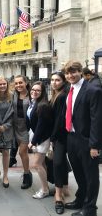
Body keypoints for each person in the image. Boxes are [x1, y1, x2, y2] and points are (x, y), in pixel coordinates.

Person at [63, 61, 102, 216]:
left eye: (73, 72)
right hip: (71, 137)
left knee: (90, 175)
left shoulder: (93, 90)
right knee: (78, 172)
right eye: (67, 73)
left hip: (86, 141)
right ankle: (81, 199)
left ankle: (90, 208)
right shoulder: (69, 88)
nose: (70, 75)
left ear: (81, 72)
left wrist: (94, 145)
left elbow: (97, 120)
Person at [26, 81, 53, 199]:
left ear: (42, 92)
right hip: (37, 136)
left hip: (42, 139)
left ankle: (45, 190)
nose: (34, 92)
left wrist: (33, 142)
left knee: (37, 164)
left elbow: (42, 126)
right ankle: (45, 185)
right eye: (33, 89)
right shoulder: (34, 102)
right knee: (41, 164)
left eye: (38, 90)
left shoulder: (43, 105)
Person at [50, 70, 70, 214]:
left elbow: (59, 119)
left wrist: (52, 137)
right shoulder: (56, 94)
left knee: (57, 163)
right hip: (59, 135)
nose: (54, 83)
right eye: (52, 80)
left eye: (57, 80)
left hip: (61, 136)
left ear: (63, 81)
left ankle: (58, 195)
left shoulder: (62, 96)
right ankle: (64, 187)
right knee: (61, 161)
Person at [12, 75, 32, 189]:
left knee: (22, 152)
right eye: (16, 83)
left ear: (26, 83)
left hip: (26, 127)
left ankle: (27, 174)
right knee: (22, 152)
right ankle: (27, 173)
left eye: (21, 83)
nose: (18, 85)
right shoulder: (14, 94)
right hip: (16, 127)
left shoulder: (31, 95)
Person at [0, 76, 14, 188]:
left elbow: (13, 114)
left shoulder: (12, 96)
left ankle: (5, 175)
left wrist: (6, 126)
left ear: (7, 84)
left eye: (4, 84)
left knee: (6, 152)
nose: (2, 86)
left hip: (7, 129)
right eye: (0, 84)